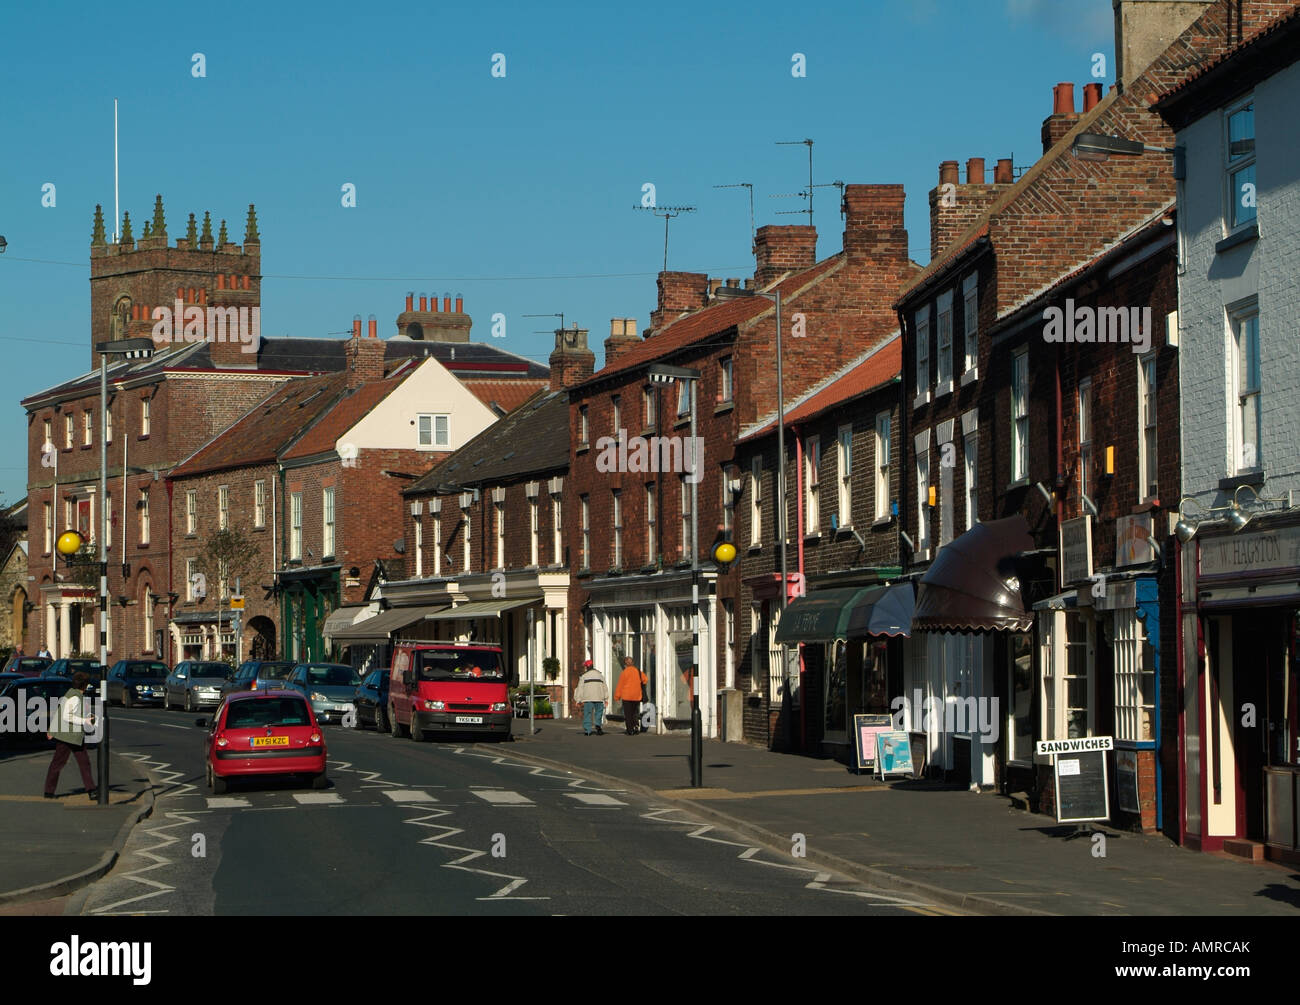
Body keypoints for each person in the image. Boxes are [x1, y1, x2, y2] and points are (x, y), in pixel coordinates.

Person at [43, 671, 97, 801]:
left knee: (81, 763)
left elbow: (60, 712)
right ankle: (90, 791)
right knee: (63, 763)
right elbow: (66, 715)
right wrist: (85, 721)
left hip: (72, 735)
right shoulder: (75, 698)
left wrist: (51, 729)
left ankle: (91, 790)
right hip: (69, 735)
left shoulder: (72, 694)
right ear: (84, 685)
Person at [613, 656, 648, 735]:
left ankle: (630, 730)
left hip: (627, 696)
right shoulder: (638, 671)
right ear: (632, 663)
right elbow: (645, 679)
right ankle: (635, 726)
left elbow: (620, 685)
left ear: (625, 664)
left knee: (628, 714)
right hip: (636, 696)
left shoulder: (624, 673)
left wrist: (617, 696)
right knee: (635, 712)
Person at [573, 659, 607, 736]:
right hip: (599, 697)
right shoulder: (600, 675)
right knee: (598, 713)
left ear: (587, 667)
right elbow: (605, 687)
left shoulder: (584, 676)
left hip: (588, 698)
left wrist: (578, 700)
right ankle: (598, 725)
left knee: (587, 714)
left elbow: (580, 688)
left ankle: (587, 730)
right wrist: (606, 698)